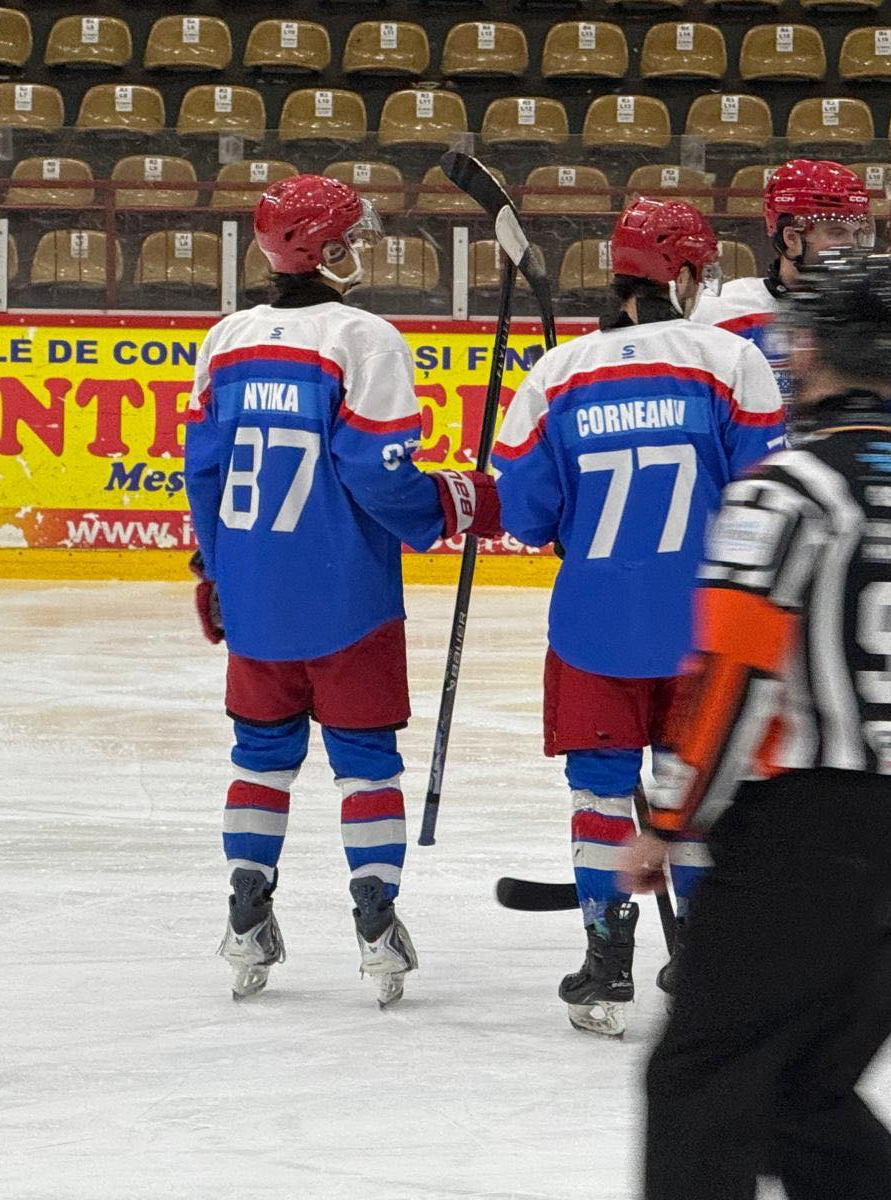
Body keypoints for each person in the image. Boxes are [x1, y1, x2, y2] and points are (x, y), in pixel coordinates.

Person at [621, 250, 891, 1200]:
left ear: (809, 348)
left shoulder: (784, 492)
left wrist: (667, 821)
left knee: (699, 1086)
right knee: (803, 1101)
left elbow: (728, 680)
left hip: (801, 847)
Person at [184, 174, 502, 1006]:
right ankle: (376, 920)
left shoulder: (224, 341)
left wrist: (215, 570)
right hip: (350, 599)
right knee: (364, 766)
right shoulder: (363, 338)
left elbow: (205, 473)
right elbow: (377, 473)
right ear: (320, 250)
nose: (357, 252)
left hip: (255, 594)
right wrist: (453, 502)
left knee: (260, 760)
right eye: (348, 240)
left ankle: (246, 916)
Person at [490, 196, 784, 1037]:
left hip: (595, 622)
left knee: (599, 794)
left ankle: (604, 963)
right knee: (689, 789)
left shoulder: (558, 373)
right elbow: (763, 495)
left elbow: (525, 516)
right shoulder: (729, 360)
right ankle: (702, 961)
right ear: (686, 275)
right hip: (704, 623)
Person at [691, 158, 891, 479]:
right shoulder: (718, 315)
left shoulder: (876, 312)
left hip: (853, 498)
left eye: (857, 232)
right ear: (791, 238)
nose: (850, 246)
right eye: (836, 232)